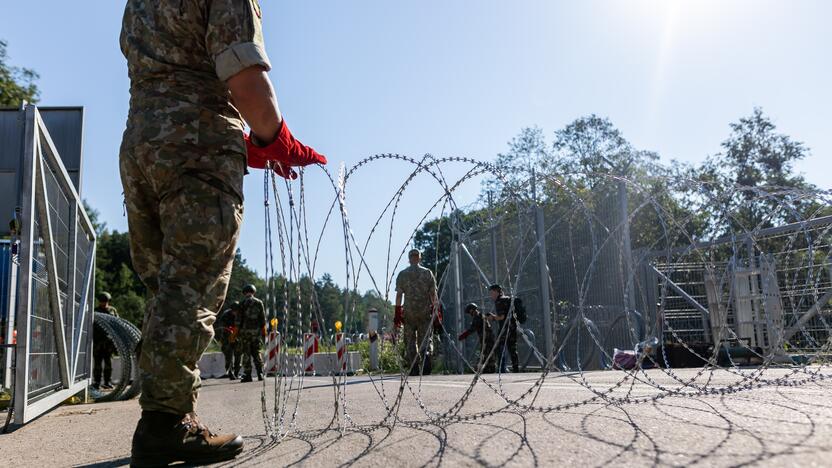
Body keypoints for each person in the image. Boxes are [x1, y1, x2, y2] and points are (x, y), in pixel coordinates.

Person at [120, 1, 326, 464]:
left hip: (140, 144)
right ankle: (164, 423)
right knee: (190, 289)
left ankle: (169, 415)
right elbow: (246, 81)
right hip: (198, 144)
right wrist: (277, 141)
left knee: (164, 288)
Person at [395, 249, 438, 376]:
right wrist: (436, 310)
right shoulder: (427, 273)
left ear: (409, 259)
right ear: (420, 258)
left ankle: (413, 366)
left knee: (410, 340)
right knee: (425, 339)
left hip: (409, 312)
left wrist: (397, 314)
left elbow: (399, 296)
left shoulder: (403, 274)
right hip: (424, 311)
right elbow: (433, 294)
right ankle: (426, 358)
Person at [237, 284, 266, 383]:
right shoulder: (259, 303)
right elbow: (263, 319)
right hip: (256, 332)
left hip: (245, 333)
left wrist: (236, 333)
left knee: (246, 353)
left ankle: (247, 375)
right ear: (254, 292)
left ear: (244, 293)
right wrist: (263, 332)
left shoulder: (242, 304)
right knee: (256, 352)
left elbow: (238, 321)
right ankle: (260, 373)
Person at [488, 284, 520, 373]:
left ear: (496, 291)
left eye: (492, 293)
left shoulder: (499, 301)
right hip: (513, 327)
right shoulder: (507, 298)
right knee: (512, 348)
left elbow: (501, 317)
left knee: (499, 347)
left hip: (505, 329)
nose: (491, 295)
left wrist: (493, 317)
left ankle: (501, 369)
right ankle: (516, 369)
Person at [458, 303, 496, 373]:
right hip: (488, 339)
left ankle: (487, 370)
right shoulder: (480, 315)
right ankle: (490, 369)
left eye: (469, 312)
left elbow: (472, 329)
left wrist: (463, 335)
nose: (470, 314)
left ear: (472, 310)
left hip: (487, 339)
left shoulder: (477, 317)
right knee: (488, 355)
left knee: (484, 355)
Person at [92, 292, 119, 390]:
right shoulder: (95, 311)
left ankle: (107, 382)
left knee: (108, 363)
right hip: (97, 341)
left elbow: (117, 323)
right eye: (102, 301)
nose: (104, 303)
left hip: (108, 342)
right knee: (97, 364)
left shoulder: (112, 310)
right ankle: (97, 382)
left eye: (105, 301)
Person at [215, 301, 241, 380]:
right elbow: (222, 326)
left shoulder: (241, 314)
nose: (235, 312)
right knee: (229, 356)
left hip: (237, 337)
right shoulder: (226, 314)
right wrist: (228, 330)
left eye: (236, 310)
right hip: (227, 337)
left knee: (238, 355)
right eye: (234, 310)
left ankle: (236, 372)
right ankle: (230, 372)